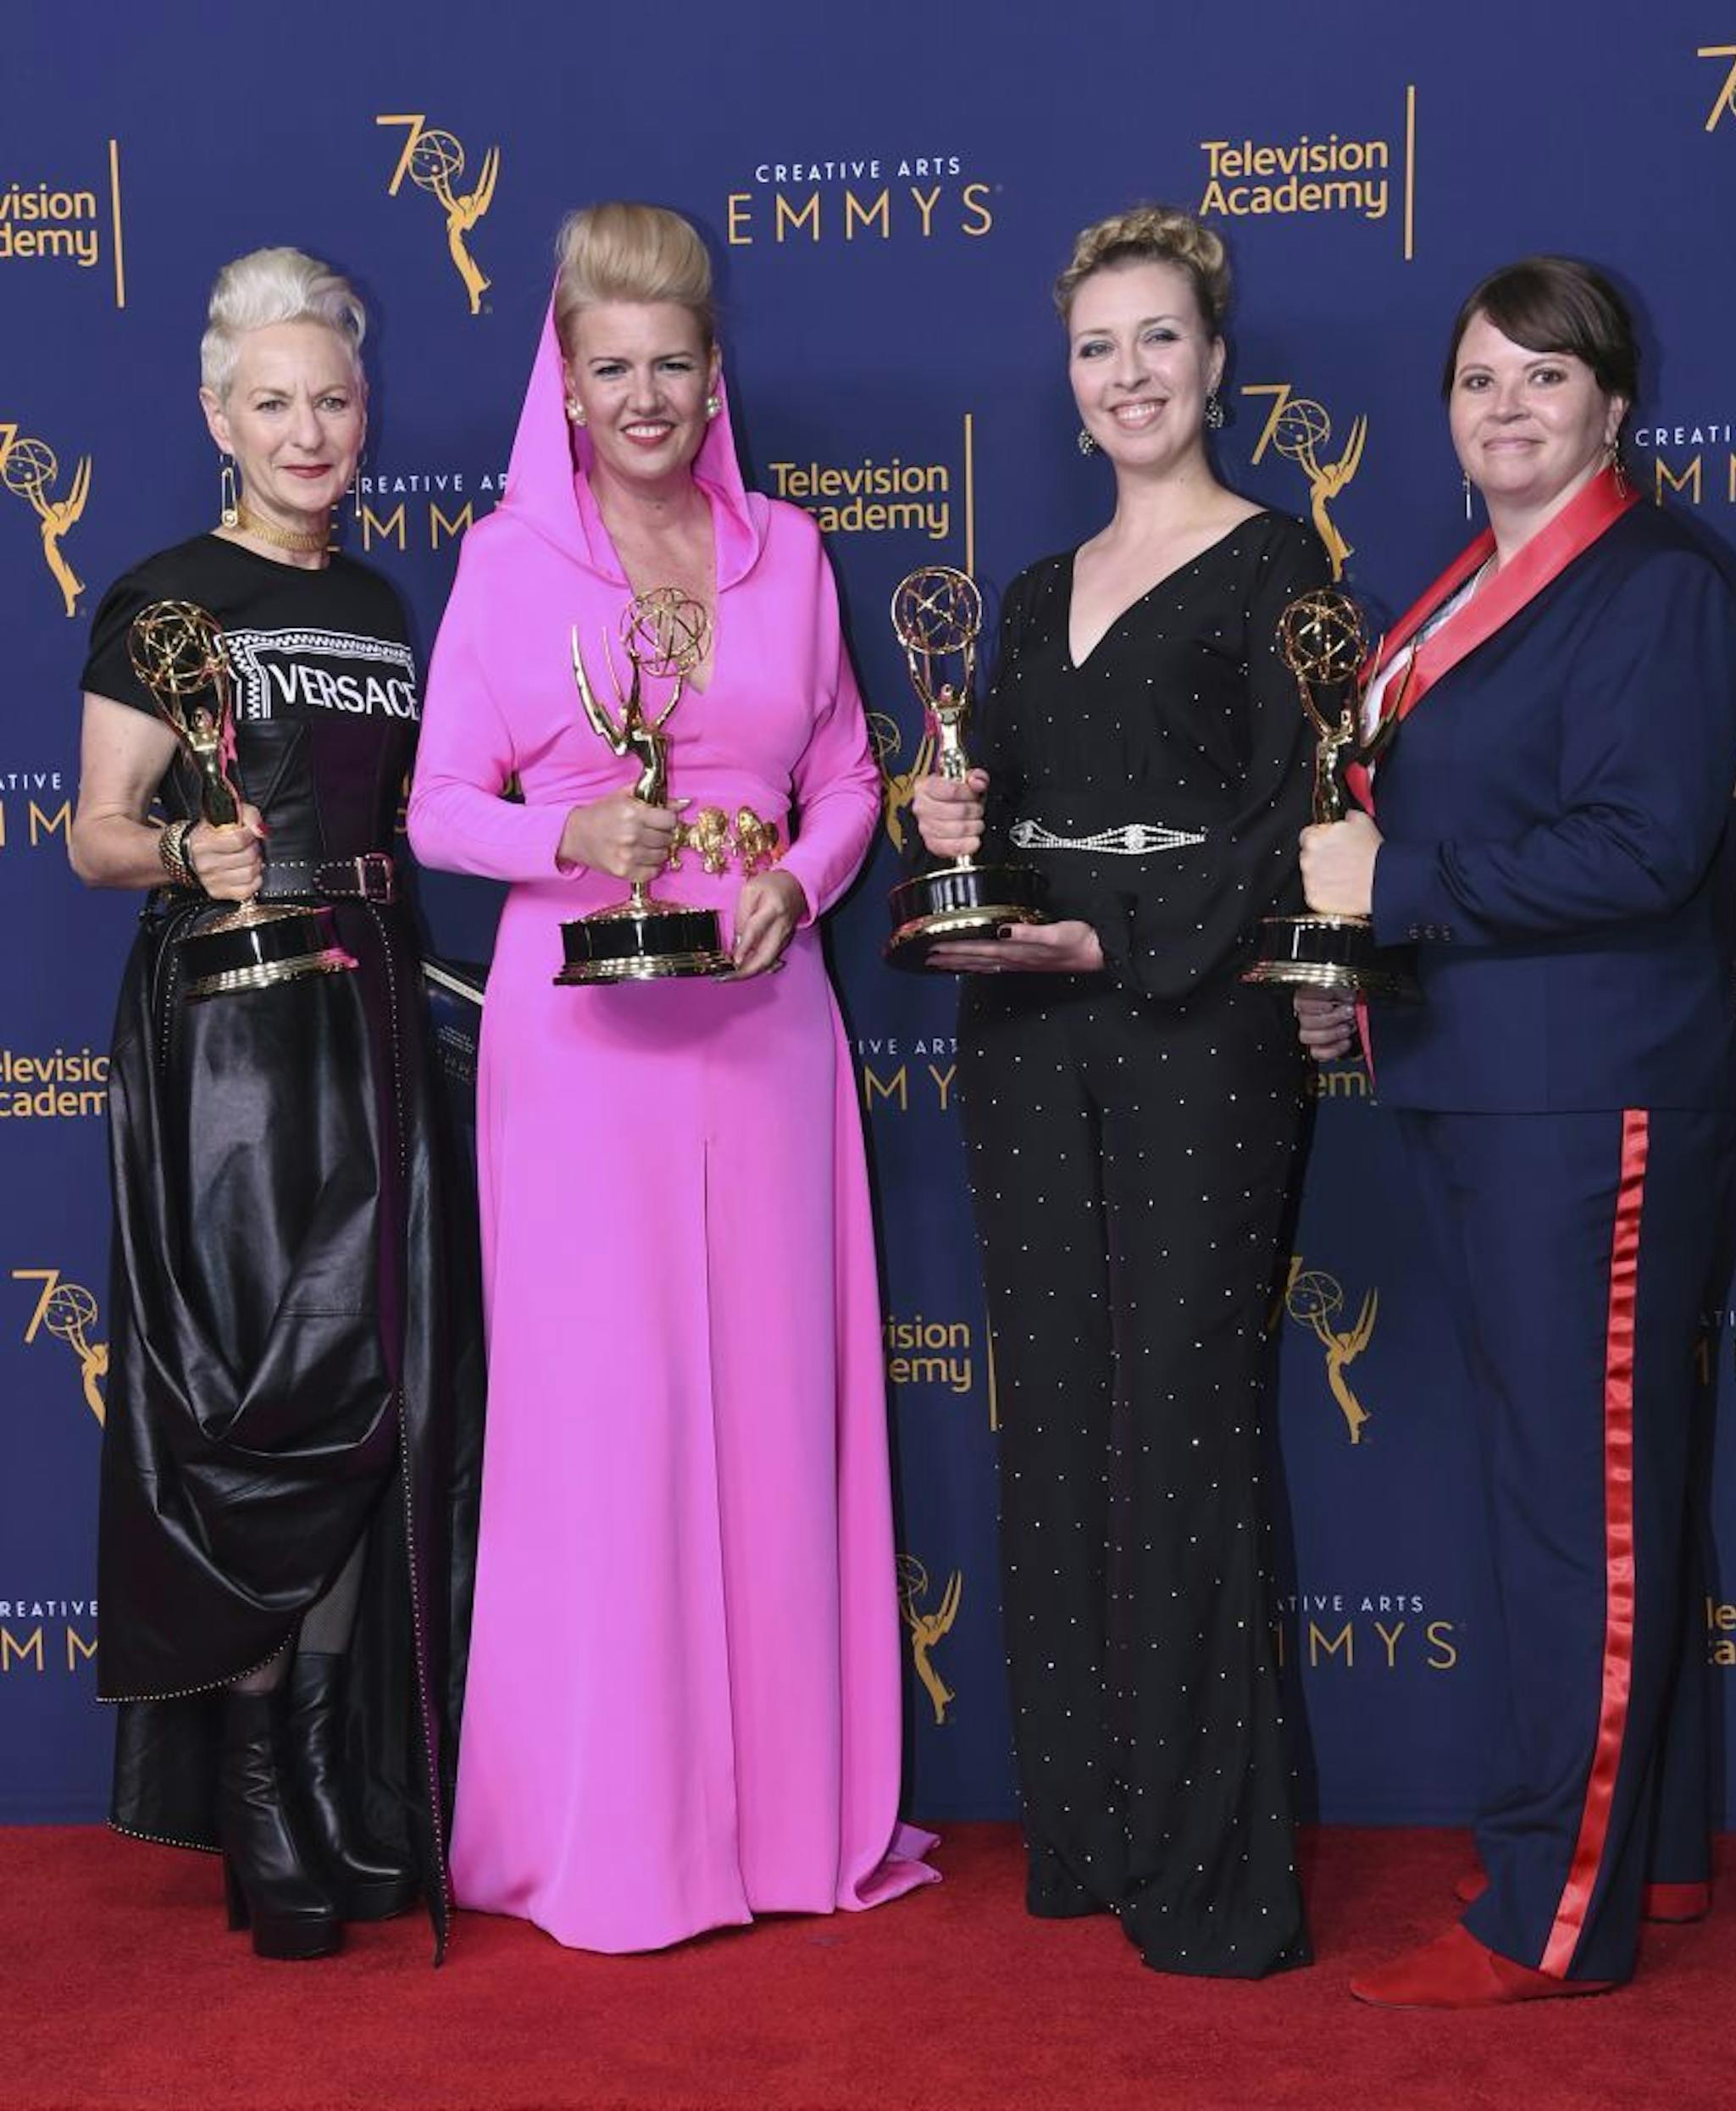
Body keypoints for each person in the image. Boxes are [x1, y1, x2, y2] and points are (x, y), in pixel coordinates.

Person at [408, 202, 937, 1954]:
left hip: (769, 1034)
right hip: (584, 1044)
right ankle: (618, 1839)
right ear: (561, 379)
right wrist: (570, 824)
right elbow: (435, 810)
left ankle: (786, 1830)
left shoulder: (790, 552)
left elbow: (851, 772)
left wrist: (806, 873)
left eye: (674, 365)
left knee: (775, 1418)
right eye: (612, 368)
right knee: (612, 1434)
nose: (646, 398)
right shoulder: (501, 564)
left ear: (721, 375)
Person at [1295, 256, 1736, 2008]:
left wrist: (1396, 885)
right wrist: (1356, 957)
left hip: (1595, 1100)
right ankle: (1666, 1858)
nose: (1504, 407)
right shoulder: (1472, 590)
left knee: (1586, 1517)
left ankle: (1551, 1911)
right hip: (1488, 1087)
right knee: (1596, 1500)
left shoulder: (1660, 587)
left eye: (1542, 380)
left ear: (1614, 408)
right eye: (1478, 380)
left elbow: (1644, 851)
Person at [912, 205, 1324, 1977]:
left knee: (1181, 1422)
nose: (1130, 374)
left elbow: (1295, 825)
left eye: (1160, 339)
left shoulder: (1278, 564)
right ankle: (1084, 1829)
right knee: (1062, 1419)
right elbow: (1007, 822)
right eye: (1099, 348)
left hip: (1195, 1030)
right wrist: (956, 831)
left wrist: (1118, 936)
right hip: (1027, 1038)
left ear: (1217, 364)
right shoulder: (1020, 593)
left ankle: (1211, 1867)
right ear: (1068, 386)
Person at [72, 248, 479, 1962]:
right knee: (259, 1402)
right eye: (273, 402)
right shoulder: (161, 597)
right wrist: (186, 847)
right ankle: (253, 1791)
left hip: (375, 1010)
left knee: (371, 1389)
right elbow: (92, 832)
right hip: (229, 1046)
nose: (309, 428)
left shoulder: (389, 607)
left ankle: (322, 1776)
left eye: (332, 399)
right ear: (216, 416)